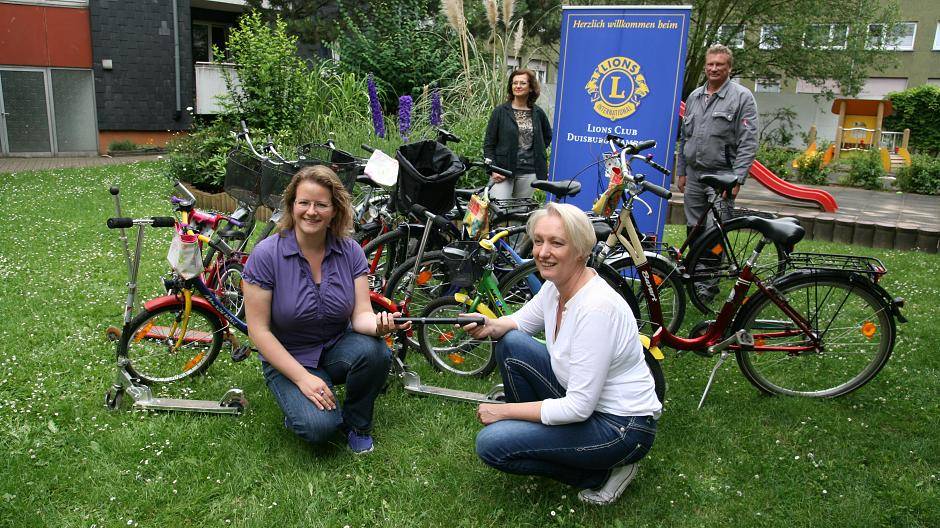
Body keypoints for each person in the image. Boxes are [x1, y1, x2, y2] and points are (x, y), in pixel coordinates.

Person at [462, 203, 662, 506]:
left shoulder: (595, 308)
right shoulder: (557, 286)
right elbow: (518, 323)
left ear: (581, 250)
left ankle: (601, 473)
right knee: (511, 342)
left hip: (622, 427)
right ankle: (539, 438)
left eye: (557, 243)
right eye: (539, 240)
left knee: (491, 444)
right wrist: (488, 324)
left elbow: (578, 408)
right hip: (587, 405)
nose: (543, 252)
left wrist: (504, 412)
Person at [242, 165, 408, 454]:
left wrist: (381, 325)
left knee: (376, 351)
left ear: (335, 210)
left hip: (334, 347)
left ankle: (357, 423)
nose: (311, 211)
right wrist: (302, 378)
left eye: (321, 204)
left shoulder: (350, 251)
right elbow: (258, 331)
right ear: (292, 206)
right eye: (304, 202)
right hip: (288, 356)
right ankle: (303, 405)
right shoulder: (266, 255)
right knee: (319, 428)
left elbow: (361, 316)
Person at [676, 43, 759, 230]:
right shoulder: (694, 97)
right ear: (705, 66)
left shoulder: (742, 97)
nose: (714, 69)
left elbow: (749, 142)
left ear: (729, 68)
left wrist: (737, 179)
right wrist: (681, 172)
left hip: (723, 177)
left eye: (720, 65)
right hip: (694, 175)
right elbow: (685, 137)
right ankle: (695, 261)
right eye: (710, 64)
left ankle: (713, 261)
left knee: (717, 229)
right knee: (693, 227)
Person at [483, 68, 553, 200]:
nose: (518, 86)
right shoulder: (500, 112)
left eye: (522, 83)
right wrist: (493, 169)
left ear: (531, 88)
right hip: (503, 171)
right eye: (515, 83)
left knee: (519, 213)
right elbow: (489, 144)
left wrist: (536, 153)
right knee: (498, 210)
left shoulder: (538, 113)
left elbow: (547, 137)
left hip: (529, 172)